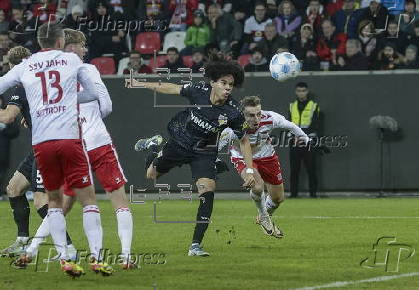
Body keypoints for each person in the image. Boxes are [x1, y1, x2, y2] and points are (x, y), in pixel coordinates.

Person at [0, 22, 110, 277]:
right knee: (88, 200)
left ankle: (65, 258)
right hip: (69, 139)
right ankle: (96, 258)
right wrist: (69, 98)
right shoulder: (71, 62)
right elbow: (93, 93)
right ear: (61, 41)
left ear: (39, 43)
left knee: (53, 202)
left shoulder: (27, 65)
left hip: (42, 143)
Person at [24, 28, 135, 270]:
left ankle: (31, 250)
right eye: (82, 45)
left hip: (69, 142)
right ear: (70, 46)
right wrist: (91, 116)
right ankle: (125, 256)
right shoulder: (86, 69)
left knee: (60, 203)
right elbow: (106, 104)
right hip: (97, 141)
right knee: (118, 198)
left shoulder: (43, 71)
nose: (85, 50)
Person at [126, 55, 255, 257]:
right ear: (213, 82)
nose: (228, 87)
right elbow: (170, 88)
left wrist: (249, 170)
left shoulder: (234, 112)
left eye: (231, 84)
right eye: (223, 83)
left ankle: (195, 245)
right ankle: (154, 145)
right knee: (151, 175)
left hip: (204, 152)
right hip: (179, 142)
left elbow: (244, 140)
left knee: (208, 189)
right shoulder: (199, 91)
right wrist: (142, 83)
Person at [0, 46, 77, 259]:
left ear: (11, 66)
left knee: (42, 199)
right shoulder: (40, 78)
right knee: (14, 188)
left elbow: (7, 117)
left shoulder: (21, 83)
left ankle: (68, 248)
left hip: (47, 146)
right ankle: (22, 241)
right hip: (44, 144)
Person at [219, 96, 308, 237]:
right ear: (242, 114)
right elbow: (217, 146)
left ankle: (263, 216)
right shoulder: (231, 127)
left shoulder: (270, 118)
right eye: (251, 115)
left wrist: (306, 140)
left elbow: (291, 126)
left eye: (258, 114)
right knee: (257, 186)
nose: (256, 119)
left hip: (267, 157)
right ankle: (264, 216)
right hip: (242, 157)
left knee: (278, 198)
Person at [288, 82, 319, 198]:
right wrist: (295, 137)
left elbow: (316, 125)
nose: (301, 93)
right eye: (299, 91)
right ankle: (293, 194)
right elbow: (289, 125)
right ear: (296, 92)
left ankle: (313, 194)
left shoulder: (314, 106)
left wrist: (303, 138)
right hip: (294, 142)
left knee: (311, 169)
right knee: (294, 170)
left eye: (303, 91)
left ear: (307, 91)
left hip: (309, 142)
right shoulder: (291, 106)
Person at [0, 95, 19, 198]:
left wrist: (4, 128)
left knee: (2, 172)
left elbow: (15, 131)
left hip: (2, 151)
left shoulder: (8, 114)